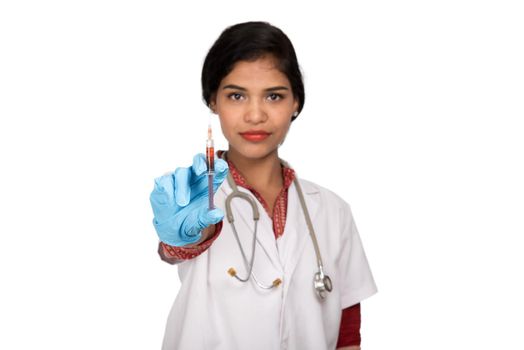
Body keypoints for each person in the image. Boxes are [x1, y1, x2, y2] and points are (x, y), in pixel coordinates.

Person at [149, 21, 377, 350]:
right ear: (213, 101)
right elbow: (182, 246)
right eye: (236, 95)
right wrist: (179, 238)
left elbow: (347, 330)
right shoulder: (197, 199)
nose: (256, 115)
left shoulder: (332, 210)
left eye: (273, 95)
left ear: (296, 102)